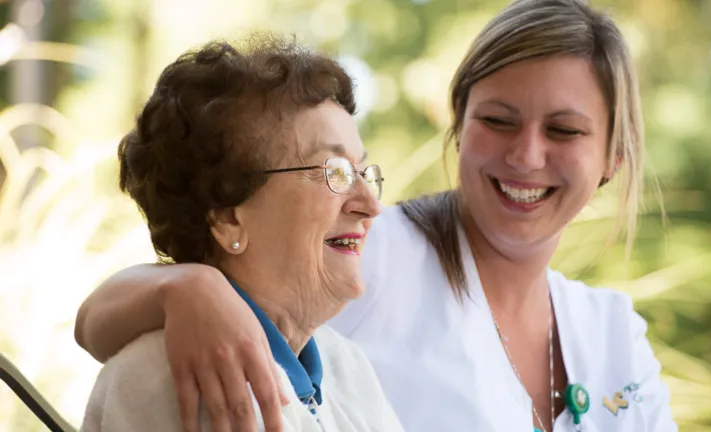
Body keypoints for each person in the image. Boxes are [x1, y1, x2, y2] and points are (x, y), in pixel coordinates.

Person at [75, 1, 678, 431]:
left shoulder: (611, 331)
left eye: (565, 130)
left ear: (611, 159)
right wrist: (187, 285)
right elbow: (101, 323)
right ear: (459, 126)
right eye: (497, 120)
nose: (526, 154)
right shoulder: (367, 253)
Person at [79, 35, 403, 432]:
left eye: (361, 172)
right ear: (228, 217)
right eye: (333, 172)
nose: (370, 204)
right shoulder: (178, 374)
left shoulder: (345, 365)